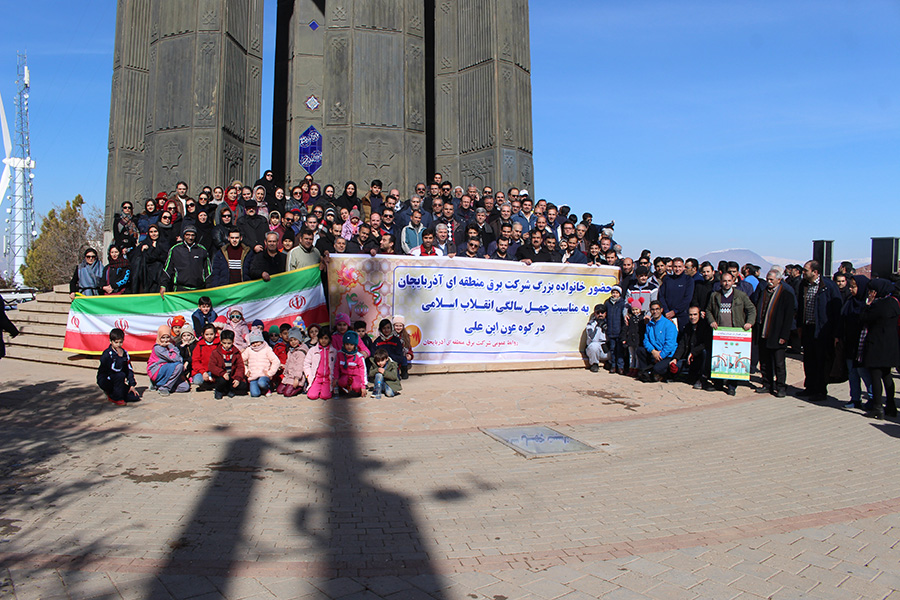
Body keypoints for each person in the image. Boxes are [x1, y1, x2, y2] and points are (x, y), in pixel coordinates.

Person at [796, 260, 842, 402]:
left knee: (822, 361)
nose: (803, 272)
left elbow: (836, 311)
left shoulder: (828, 286)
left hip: (822, 330)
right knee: (809, 359)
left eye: (806, 270)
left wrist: (835, 333)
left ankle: (821, 390)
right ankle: (809, 387)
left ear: (815, 272)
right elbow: (800, 307)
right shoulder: (803, 285)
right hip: (807, 328)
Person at [706, 272, 756, 396]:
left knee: (734, 360)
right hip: (720, 334)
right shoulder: (715, 295)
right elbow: (708, 310)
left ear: (733, 281)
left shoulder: (741, 295)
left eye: (729, 281)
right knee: (719, 358)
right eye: (724, 281)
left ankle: (732, 385)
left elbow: (751, 309)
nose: (727, 283)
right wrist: (711, 321)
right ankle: (718, 383)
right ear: (720, 282)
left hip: (736, 332)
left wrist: (749, 323)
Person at [859, 279, 900, 419]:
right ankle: (891, 406)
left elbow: (864, 318)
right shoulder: (894, 302)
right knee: (887, 376)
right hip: (890, 345)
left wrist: (867, 305)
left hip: (876, 344)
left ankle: (877, 407)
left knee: (876, 376)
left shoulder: (878, 305)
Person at [754, 268, 796, 397]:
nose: (769, 282)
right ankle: (767, 384)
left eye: (772, 279)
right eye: (767, 279)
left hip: (777, 334)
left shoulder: (786, 295)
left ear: (779, 280)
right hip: (763, 332)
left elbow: (789, 317)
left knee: (779, 363)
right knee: (765, 361)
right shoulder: (764, 292)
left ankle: (781, 386)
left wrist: (784, 335)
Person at [839, 275, 873, 409]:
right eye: (851, 286)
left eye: (854, 286)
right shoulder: (850, 301)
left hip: (862, 344)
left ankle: (872, 398)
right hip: (850, 343)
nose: (851, 289)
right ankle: (855, 398)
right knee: (852, 372)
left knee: (863, 372)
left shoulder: (867, 304)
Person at [669, 305, 712, 389]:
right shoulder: (687, 327)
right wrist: (675, 358)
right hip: (688, 357)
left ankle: (703, 378)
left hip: (700, 356)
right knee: (672, 367)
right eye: (690, 315)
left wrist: (693, 352)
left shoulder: (705, 327)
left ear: (699, 315)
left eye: (695, 314)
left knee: (704, 353)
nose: (693, 317)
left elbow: (706, 344)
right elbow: (682, 344)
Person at [160, 225, 212, 295]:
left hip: (199, 290)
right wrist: (163, 285)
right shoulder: (175, 250)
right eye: (188, 235)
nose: (190, 238)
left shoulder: (202, 250)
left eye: (192, 235)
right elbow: (168, 269)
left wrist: (209, 287)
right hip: (180, 289)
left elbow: (208, 271)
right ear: (184, 235)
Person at [635, 301, 678, 382]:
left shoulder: (669, 325)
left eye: (657, 309)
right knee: (640, 350)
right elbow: (646, 340)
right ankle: (646, 372)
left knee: (657, 368)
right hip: (654, 353)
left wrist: (660, 356)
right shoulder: (649, 324)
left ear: (661, 310)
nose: (655, 311)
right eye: (653, 309)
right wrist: (653, 351)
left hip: (666, 355)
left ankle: (662, 374)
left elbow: (670, 344)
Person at [96, 328, 141, 405]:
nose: (118, 345)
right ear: (111, 341)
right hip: (107, 379)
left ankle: (118, 393)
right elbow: (114, 369)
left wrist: (132, 385)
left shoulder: (125, 353)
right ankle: (115, 397)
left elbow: (129, 369)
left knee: (134, 397)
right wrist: (119, 358)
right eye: (116, 342)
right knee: (120, 375)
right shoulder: (107, 354)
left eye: (120, 342)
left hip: (118, 382)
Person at [147, 325, 190, 395]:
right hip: (157, 371)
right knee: (179, 366)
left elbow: (179, 358)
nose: (165, 340)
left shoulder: (171, 345)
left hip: (170, 370)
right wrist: (171, 347)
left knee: (185, 387)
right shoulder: (158, 348)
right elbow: (175, 358)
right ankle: (164, 387)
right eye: (163, 338)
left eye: (167, 337)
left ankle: (159, 384)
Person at [209, 329, 248, 398]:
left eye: (229, 343)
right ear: (221, 342)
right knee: (222, 381)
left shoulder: (236, 352)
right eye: (224, 343)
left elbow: (240, 366)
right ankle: (219, 390)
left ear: (233, 342)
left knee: (243, 386)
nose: (226, 345)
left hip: (232, 376)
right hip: (220, 376)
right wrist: (222, 373)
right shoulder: (215, 352)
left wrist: (237, 378)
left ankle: (228, 390)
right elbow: (212, 366)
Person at [242, 329, 281, 397]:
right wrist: (246, 371)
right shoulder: (249, 350)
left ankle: (267, 388)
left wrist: (270, 373)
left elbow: (276, 361)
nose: (255, 344)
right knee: (255, 394)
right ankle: (261, 390)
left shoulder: (267, 349)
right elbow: (240, 361)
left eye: (257, 342)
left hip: (264, 375)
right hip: (253, 376)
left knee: (262, 383)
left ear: (261, 341)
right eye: (253, 343)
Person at [658, 257, 695, 328]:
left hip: (682, 315)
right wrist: (666, 311)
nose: (677, 269)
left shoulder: (688, 280)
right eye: (675, 267)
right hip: (667, 315)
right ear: (672, 267)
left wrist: (675, 311)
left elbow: (687, 298)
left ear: (684, 267)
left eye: (679, 267)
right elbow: (661, 296)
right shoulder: (667, 279)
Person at [305, 328, 337, 400]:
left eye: (326, 338)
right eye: (321, 338)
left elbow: (336, 365)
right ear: (318, 339)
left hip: (327, 379)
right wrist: (309, 376)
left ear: (329, 339)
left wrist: (333, 378)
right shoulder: (313, 350)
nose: (323, 341)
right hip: (316, 378)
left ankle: (324, 390)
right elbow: (306, 364)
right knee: (312, 396)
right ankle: (317, 389)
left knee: (325, 396)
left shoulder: (333, 351)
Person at [277, 327, 309, 397]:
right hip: (289, 376)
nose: (293, 342)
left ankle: (300, 387)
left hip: (296, 378)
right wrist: (285, 372)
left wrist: (297, 379)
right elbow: (288, 363)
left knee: (287, 393)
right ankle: (289, 385)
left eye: (295, 340)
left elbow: (299, 367)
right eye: (291, 340)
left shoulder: (300, 352)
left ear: (299, 340)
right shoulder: (290, 351)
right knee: (279, 391)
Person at [334, 331, 367, 397]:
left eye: (351, 345)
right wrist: (336, 378)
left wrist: (363, 385)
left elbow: (363, 371)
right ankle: (344, 389)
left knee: (356, 386)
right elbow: (336, 367)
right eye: (347, 344)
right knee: (341, 382)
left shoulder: (359, 356)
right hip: (345, 376)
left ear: (355, 345)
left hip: (355, 377)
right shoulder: (340, 354)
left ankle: (356, 391)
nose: (349, 347)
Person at [605, 286, 627, 374]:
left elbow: (623, 317)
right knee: (612, 349)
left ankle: (620, 366)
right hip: (611, 330)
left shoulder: (622, 303)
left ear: (619, 294)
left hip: (619, 330)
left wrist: (623, 329)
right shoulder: (607, 303)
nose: (615, 295)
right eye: (613, 293)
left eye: (616, 293)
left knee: (620, 350)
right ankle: (613, 365)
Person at [191, 324, 219, 389]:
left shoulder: (218, 345)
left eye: (211, 334)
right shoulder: (199, 346)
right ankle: (211, 382)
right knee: (197, 381)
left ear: (215, 334)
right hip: (202, 371)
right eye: (207, 334)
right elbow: (195, 361)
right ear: (203, 334)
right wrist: (203, 372)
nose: (209, 337)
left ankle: (211, 382)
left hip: (215, 371)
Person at [585, 304, 609, 373]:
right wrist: (598, 326)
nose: (600, 314)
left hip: (606, 347)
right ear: (595, 314)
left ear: (605, 313)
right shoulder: (591, 324)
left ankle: (610, 362)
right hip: (596, 347)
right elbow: (593, 338)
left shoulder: (609, 322)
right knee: (594, 346)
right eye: (598, 313)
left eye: (602, 312)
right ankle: (594, 364)